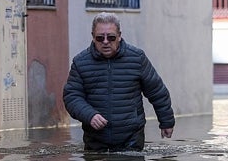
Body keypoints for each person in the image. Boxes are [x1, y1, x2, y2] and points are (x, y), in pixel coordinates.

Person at [63, 13, 174, 151]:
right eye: (100, 38)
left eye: (111, 37)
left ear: (119, 36)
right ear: (93, 37)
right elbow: (72, 96)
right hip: (96, 140)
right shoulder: (80, 63)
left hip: (131, 138)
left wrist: (166, 122)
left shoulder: (137, 58)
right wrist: (89, 115)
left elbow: (157, 91)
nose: (105, 42)